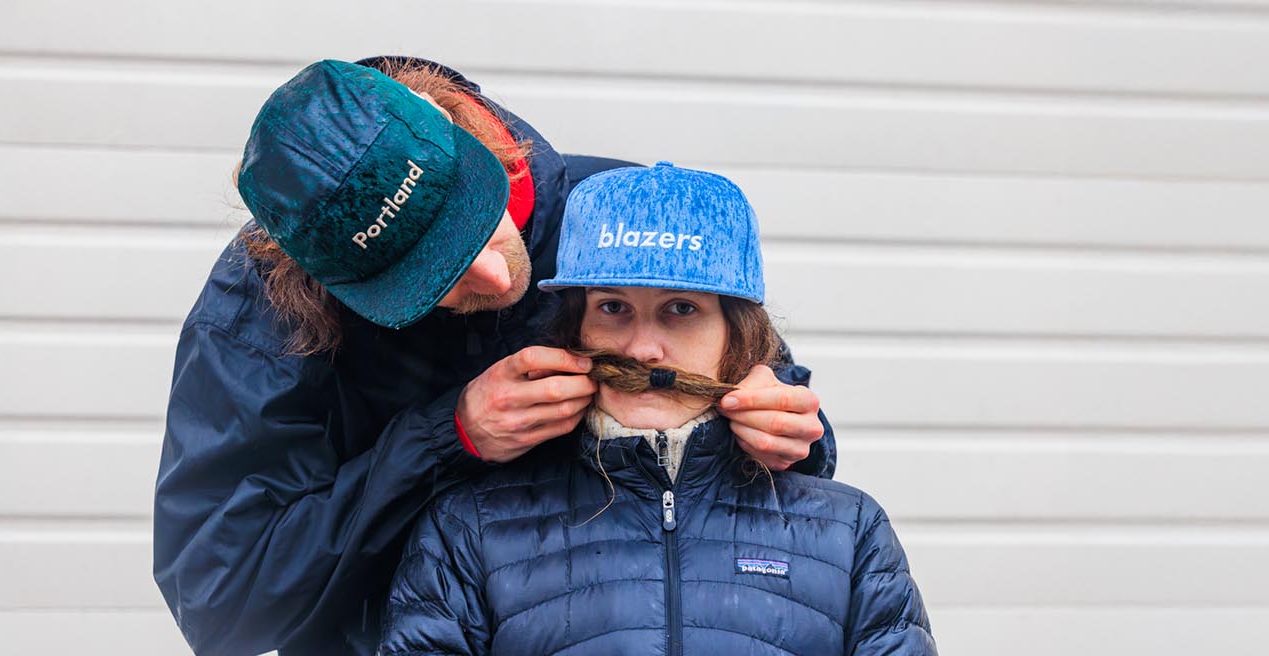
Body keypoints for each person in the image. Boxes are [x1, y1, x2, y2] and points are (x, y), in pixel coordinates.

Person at [154, 58, 839, 655]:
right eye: (432, 279)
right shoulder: (261, 310)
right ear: (329, 285)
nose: (491, 277)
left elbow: (779, 444)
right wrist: (445, 440)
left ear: (466, 130)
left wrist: (787, 432)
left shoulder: (615, 218)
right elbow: (223, 601)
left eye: (476, 219)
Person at [379, 163, 935, 655]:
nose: (643, 348)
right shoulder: (469, 530)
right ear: (574, 330)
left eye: (681, 309)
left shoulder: (850, 530)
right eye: (614, 307)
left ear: (736, 336)